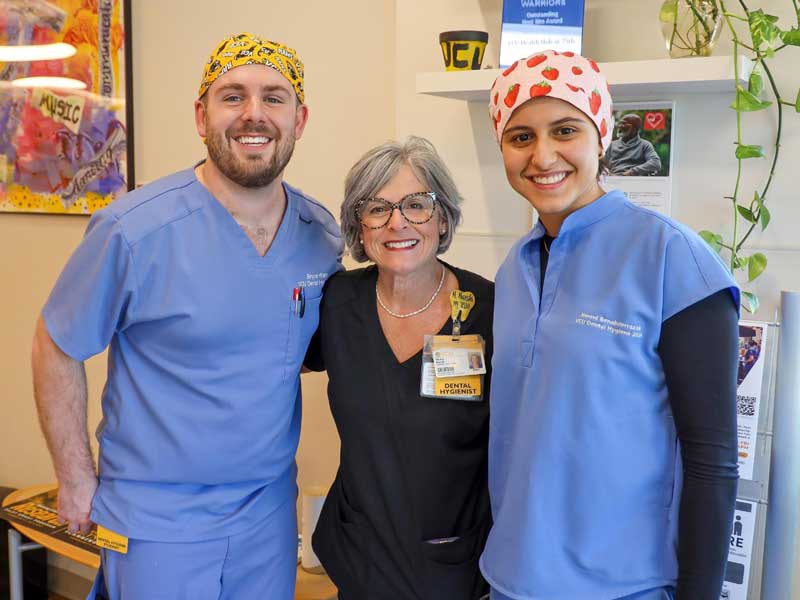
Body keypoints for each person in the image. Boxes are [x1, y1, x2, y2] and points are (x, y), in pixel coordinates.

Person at [30, 32, 342, 600]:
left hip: (267, 513)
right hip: (156, 519)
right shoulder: (132, 231)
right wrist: (75, 475)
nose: (255, 114)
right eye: (233, 96)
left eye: (274, 97)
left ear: (300, 119)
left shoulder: (320, 237)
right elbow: (56, 342)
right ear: (201, 116)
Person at [482, 50, 740, 599]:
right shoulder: (512, 269)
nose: (542, 155)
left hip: (627, 586)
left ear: (601, 136)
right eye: (520, 136)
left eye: (565, 130)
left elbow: (712, 460)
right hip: (510, 579)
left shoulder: (673, 260)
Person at [305, 136, 493, 600]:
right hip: (359, 561)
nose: (397, 223)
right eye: (377, 208)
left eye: (416, 205)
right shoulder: (338, 302)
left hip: (454, 566)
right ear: (359, 226)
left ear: (443, 216)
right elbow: (262, 360)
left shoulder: (490, 309)